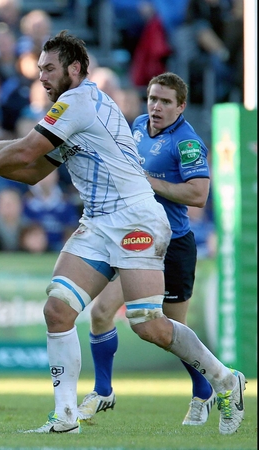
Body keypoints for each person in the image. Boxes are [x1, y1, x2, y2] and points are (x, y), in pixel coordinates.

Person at [0, 31, 245, 436]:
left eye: (49, 68)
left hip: (135, 218)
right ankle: (65, 417)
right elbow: (33, 169)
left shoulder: (78, 103)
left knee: (148, 323)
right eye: (39, 68)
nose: (41, 76)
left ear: (74, 69)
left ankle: (223, 379)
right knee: (57, 309)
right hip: (98, 221)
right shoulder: (69, 114)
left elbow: (25, 151)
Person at [78, 73, 215, 426]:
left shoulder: (186, 143)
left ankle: (206, 390)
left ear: (181, 107)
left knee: (173, 332)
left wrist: (148, 182)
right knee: (101, 312)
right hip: (135, 237)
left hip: (173, 244)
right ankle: (103, 390)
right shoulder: (137, 125)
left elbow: (198, 195)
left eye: (165, 101)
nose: (155, 106)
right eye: (152, 98)